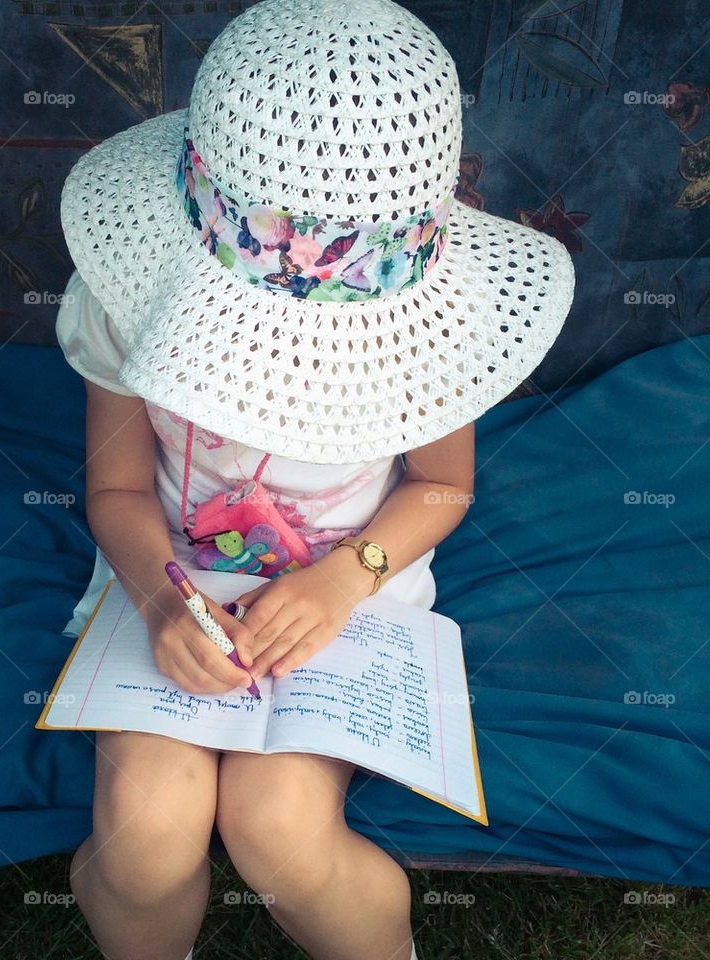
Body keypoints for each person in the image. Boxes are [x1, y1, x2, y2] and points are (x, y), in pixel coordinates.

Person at [54, 1, 575, 957]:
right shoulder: (128, 298)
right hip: (167, 576)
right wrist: (161, 603)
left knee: (281, 830)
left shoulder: (433, 319)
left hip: (350, 585)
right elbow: (119, 492)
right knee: (146, 832)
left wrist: (347, 576)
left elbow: (442, 486)